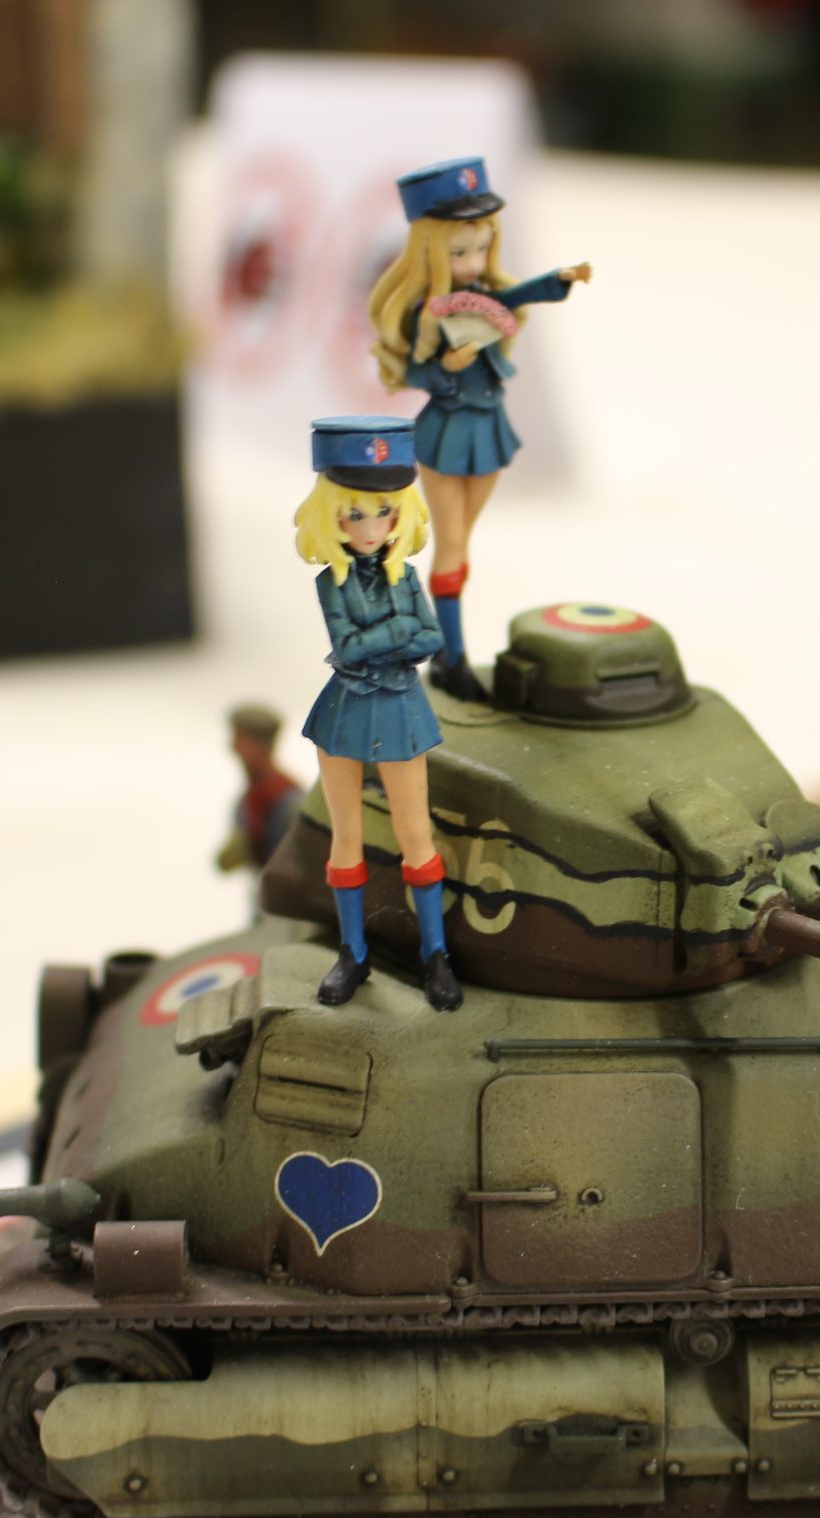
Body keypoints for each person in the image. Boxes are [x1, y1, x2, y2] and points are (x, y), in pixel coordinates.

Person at [367, 155, 592, 701]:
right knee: (451, 544)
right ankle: (452, 656)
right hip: (447, 430)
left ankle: (446, 644)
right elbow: (413, 370)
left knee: (460, 545)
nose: (473, 263)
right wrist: (445, 368)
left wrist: (559, 280)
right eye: (458, 252)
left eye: (482, 248)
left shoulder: (484, 299)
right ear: (430, 250)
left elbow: (517, 296)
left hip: (489, 428)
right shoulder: (427, 312)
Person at [294, 416, 461, 1012]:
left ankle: (435, 955)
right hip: (344, 711)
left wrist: (384, 638)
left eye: (384, 513)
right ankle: (353, 952)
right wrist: (399, 631)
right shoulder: (331, 583)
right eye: (354, 514)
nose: (370, 528)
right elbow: (347, 646)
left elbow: (432, 639)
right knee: (347, 835)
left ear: (402, 514)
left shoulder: (407, 575)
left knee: (416, 834)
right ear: (331, 516)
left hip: (401, 709)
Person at [216, 703, 301, 881]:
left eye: (240, 740)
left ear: (260, 746)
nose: (234, 747)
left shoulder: (289, 800)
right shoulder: (247, 800)